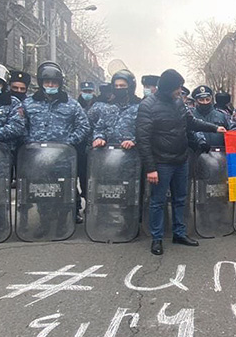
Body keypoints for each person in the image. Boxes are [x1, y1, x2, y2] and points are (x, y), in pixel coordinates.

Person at [136, 69, 226, 256]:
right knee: (158, 202)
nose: (180, 91)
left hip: (181, 159)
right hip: (161, 163)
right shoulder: (148, 106)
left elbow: (191, 122)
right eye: (177, 87)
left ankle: (179, 233)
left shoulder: (178, 103)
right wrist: (151, 168)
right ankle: (157, 238)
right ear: (169, 87)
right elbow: (143, 139)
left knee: (180, 199)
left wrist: (215, 128)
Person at [22, 61, 90, 226]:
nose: (51, 85)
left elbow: (84, 126)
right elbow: (21, 126)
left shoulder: (71, 104)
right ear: (41, 83)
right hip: (38, 158)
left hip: (62, 159)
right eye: (47, 82)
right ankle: (44, 222)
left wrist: (68, 143)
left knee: (65, 189)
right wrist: (29, 142)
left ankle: (63, 221)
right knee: (42, 191)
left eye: (54, 82)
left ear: (60, 84)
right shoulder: (28, 104)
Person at [93, 70, 141, 149]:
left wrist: (133, 141)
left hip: (131, 155)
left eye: (122, 86)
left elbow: (144, 132)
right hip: (109, 155)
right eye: (116, 86)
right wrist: (99, 138)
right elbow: (99, 128)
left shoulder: (139, 108)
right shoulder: (108, 108)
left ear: (130, 87)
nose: (119, 88)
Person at [190, 85, 228, 150]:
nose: (205, 102)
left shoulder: (221, 115)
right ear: (196, 101)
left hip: (219, 155)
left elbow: (229, 133)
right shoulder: (190, 116)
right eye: (201, 100)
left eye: (207, 99)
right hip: (196, 154)